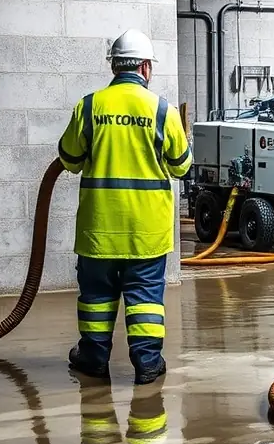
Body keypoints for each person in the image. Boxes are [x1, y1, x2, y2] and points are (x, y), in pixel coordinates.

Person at [57, 29, 192, 385]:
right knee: (145, 297)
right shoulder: (162, 109)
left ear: (114, 66)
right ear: (146, 67)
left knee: (97, 298)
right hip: (146, 229)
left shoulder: (89, 105)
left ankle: (93, 358)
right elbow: (181, 166)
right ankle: (147, 363)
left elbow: (69, 158)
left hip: (99, 227)